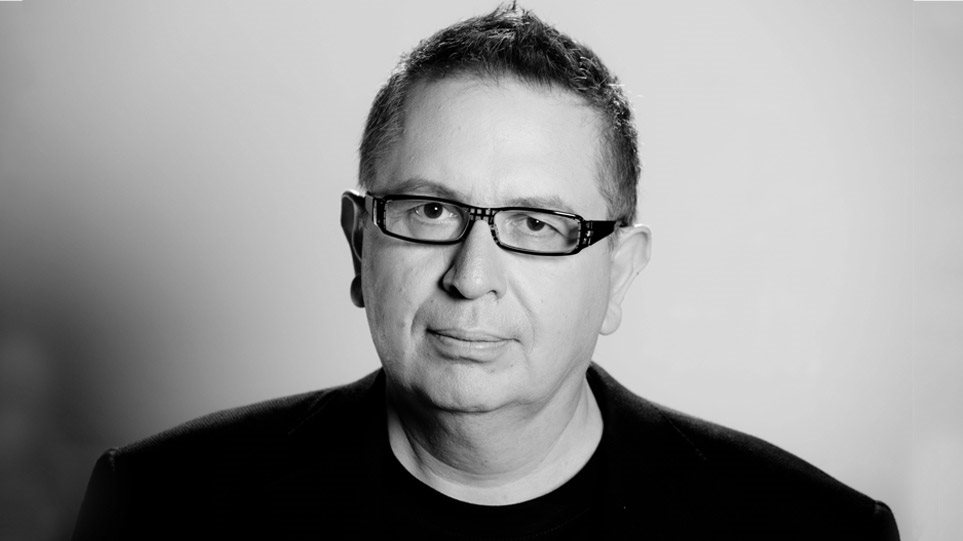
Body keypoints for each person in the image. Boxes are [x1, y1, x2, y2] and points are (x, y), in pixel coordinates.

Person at [73, 5, 899, 540]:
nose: (471, 276)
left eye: (536, 223)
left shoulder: (813, 533)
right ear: (359, 244)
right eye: (431, 210)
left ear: (618, 273)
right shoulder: (159, 504)